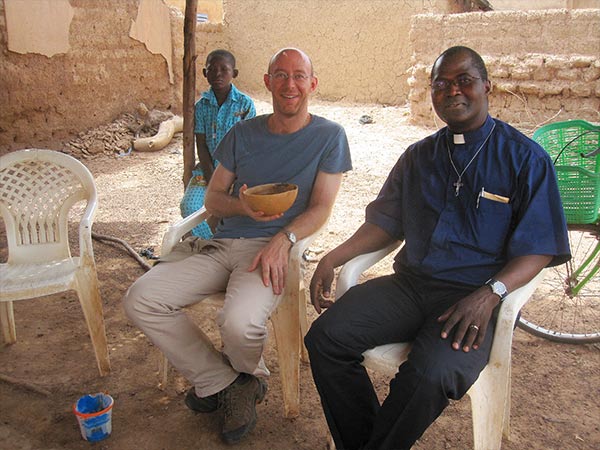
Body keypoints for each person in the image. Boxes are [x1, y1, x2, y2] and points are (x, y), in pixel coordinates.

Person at [304, 46, 570, 450]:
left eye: (464, 80)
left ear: (487, 86)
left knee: (432, 375)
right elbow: (384, 224)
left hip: (473, 297)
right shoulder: (418, 157)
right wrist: (334, 256)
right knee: (326, 338)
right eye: (441, 84)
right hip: (410, 287)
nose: (453, 91)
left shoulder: (525, 159)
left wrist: (490, 294)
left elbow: (539, 247)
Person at [124, 48, 352, 444]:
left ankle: (234, 380)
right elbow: (213, 199)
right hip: (222, 242)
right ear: (266, 82)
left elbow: (320, 208)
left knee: (239, 323)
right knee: (141, 298)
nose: (290, 84)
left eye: (299, 76)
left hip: (271, 249)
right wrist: (241, 205)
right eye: (280, 75)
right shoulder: (242, 134)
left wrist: (285, 239)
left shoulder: (329, 137)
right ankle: (233, 382)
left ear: (312, 84)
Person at [180, 49, 256, 238]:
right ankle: (211, 244)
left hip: (239, 173)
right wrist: (212, 177)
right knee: (188, 205)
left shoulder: (245, 105)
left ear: (234, 73)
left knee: (245, 210)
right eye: (212, 69)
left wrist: (235, 179)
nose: (218, 74)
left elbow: (249, 146)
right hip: (207, 171)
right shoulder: (201, 107)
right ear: (205, 73)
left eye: (224, 69)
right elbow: (202, 145)